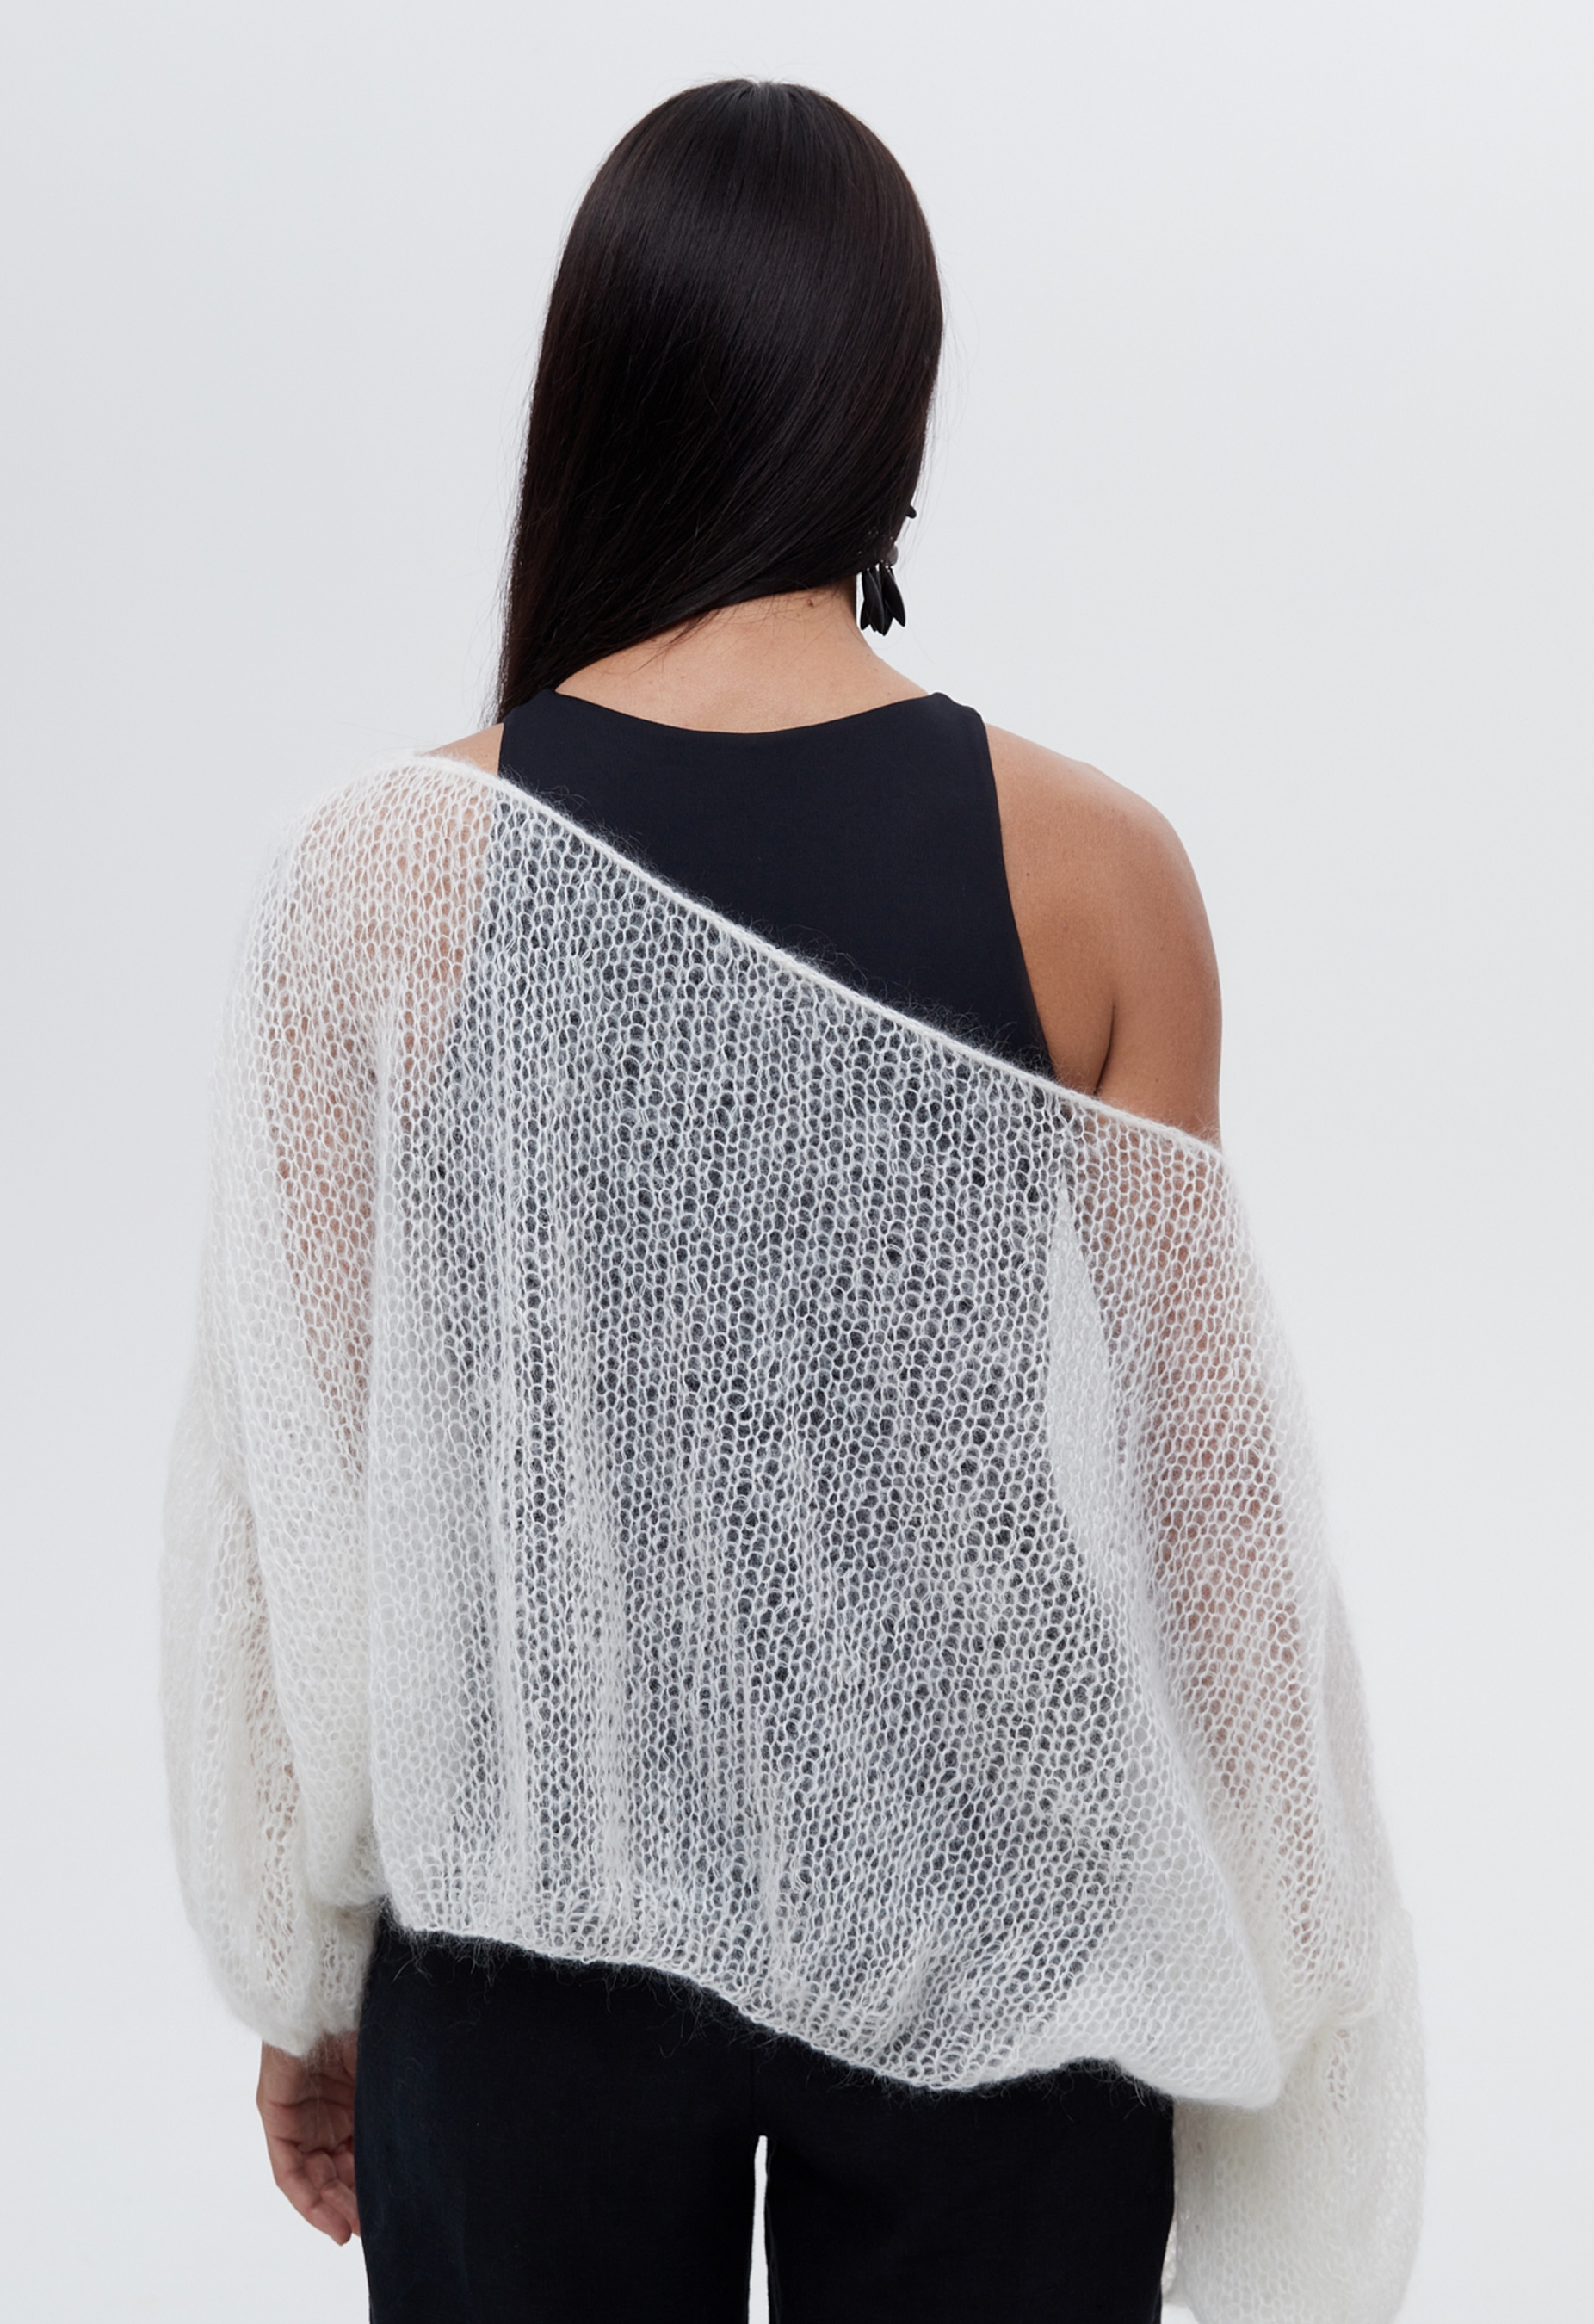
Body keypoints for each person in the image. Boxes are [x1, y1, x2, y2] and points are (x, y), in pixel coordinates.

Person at [166, 80, 1420, 2324]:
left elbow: (308, 1506)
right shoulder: (1097, 865)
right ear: (885, 411)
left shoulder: (381, 875)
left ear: (599, 388)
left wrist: (304, 1964)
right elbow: (1214, 1521)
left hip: (534, 1890)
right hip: (1008, 1912)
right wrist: (1279, 1987)